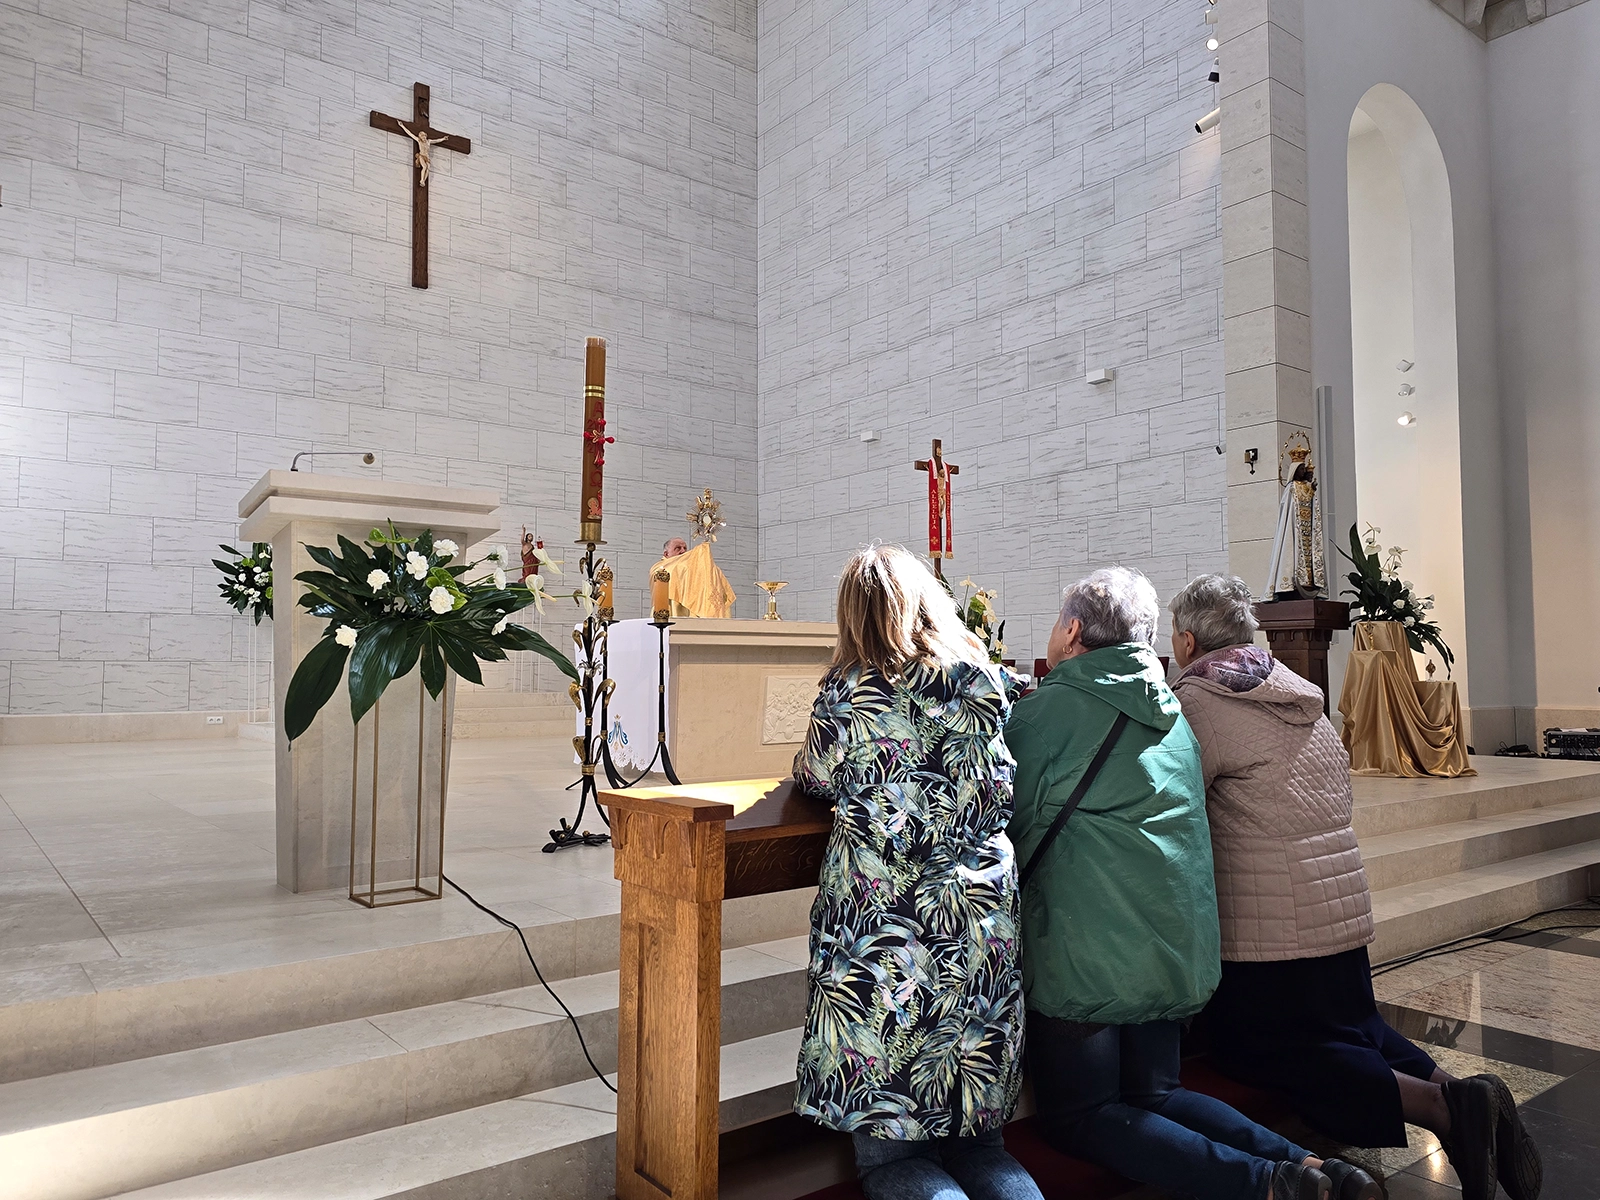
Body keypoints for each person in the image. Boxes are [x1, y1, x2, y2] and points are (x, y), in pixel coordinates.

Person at [1006, 567, 1378, 1200]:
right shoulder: (1179, 712)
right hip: (1174, 947)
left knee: (1081, 1115)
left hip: (1086, 958)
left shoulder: (1044, 714)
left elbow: (1001, 816)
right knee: (1157, 1093)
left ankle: (1268, 1184)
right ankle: (1316, 1168)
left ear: (1071, 631)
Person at [1169, 574, 1541, 1200]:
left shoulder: (1200, 702)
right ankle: (1463, 1092)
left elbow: (1177, 805)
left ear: (1185, 641)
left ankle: (1446, 1109)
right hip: (1335, 911)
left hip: (1270, 934)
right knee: (1356, 1026)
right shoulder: (1293, 690)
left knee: (1259, 1049)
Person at [791, 545, 1042, 1200]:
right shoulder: (983, 678)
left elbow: (815, 777)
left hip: (888, 939)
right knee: (985, 1149)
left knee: (896, 1161)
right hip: (978, 922)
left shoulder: (848, 694)